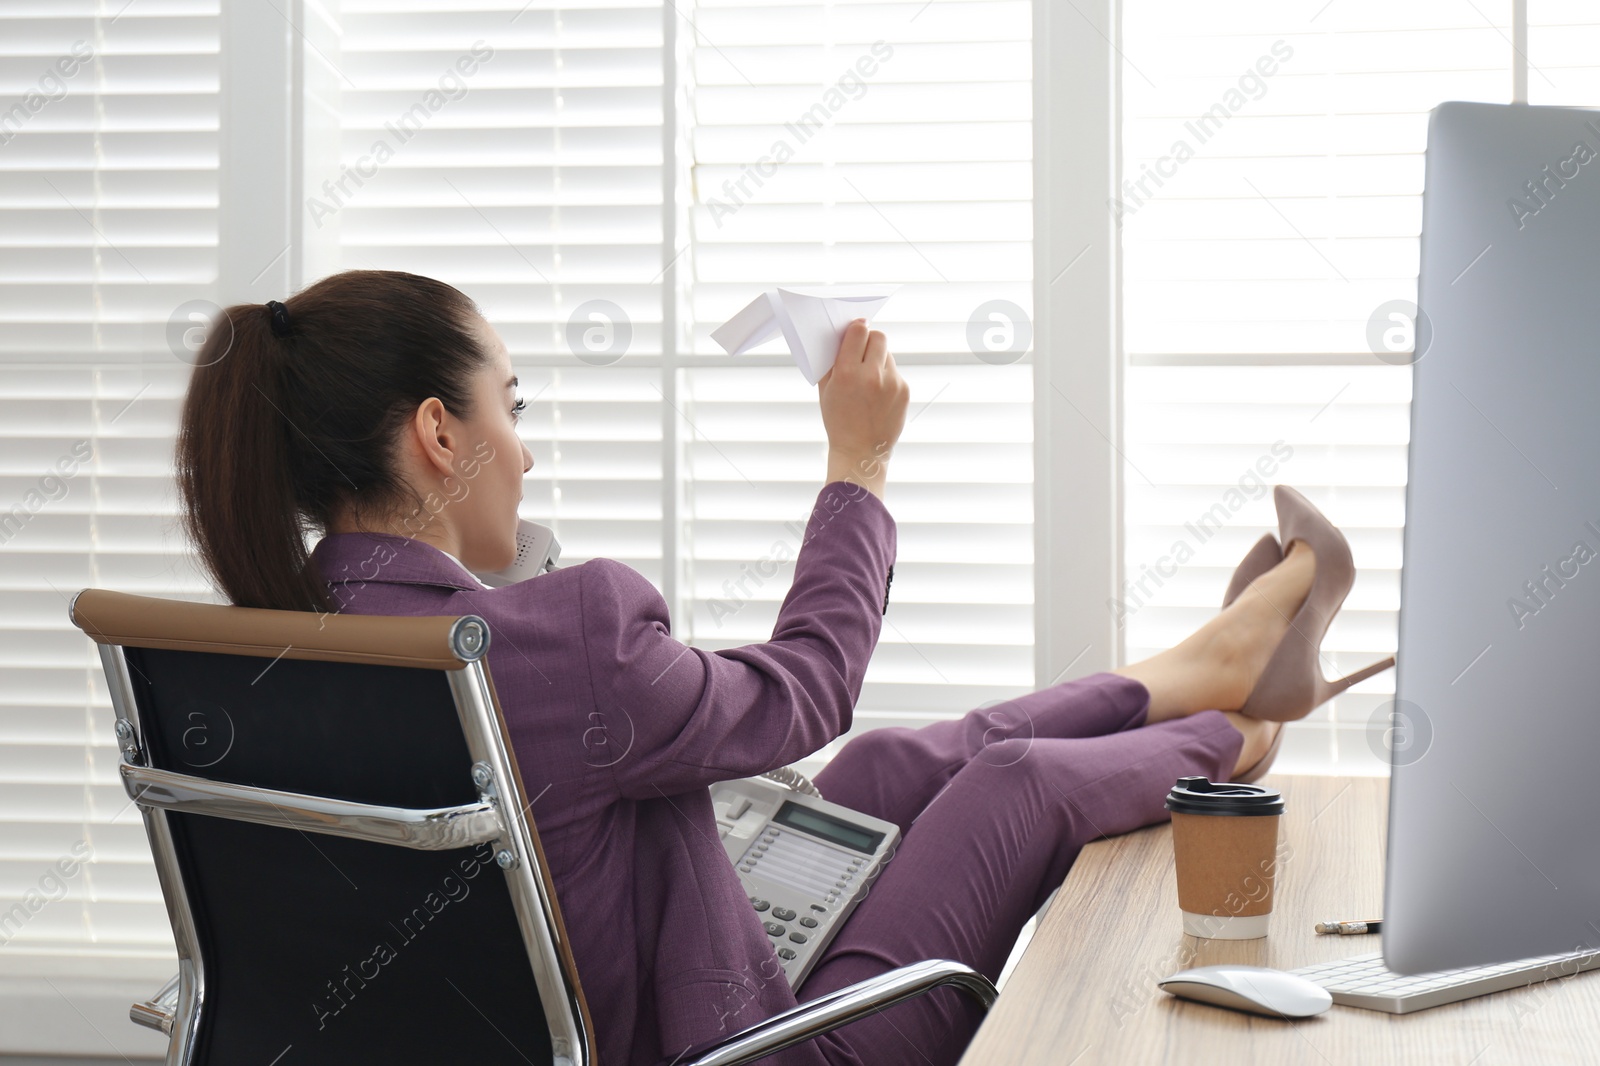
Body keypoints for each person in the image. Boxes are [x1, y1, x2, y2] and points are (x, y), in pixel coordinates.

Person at [174, 270, 1393, 1066]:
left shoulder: (243, 667)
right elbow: (806, 681)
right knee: (1010, 782)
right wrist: (856, 463)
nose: (527, 455)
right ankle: (1240, 722)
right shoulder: (554, 640)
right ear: (439, 433)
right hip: (746, 1054)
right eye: (512, 405)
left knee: (877, 769)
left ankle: (1200, 665)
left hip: (587, 1006)